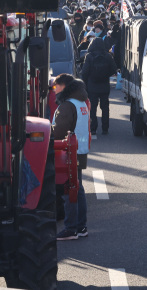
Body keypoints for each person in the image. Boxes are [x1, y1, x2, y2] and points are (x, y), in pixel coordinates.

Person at [52, 73, 89, 241]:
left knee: (69, 189)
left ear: (64, 87)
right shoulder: (81, 101)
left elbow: (58, 131)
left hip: (69, 151)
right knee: (78, 188)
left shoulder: (67, 105)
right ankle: (81, 227)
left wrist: (46, 130)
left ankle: (71, 228)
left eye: (55, 87)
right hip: (80, 149)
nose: (54, 90)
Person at [82, 38, 117, 135]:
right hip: (104, 85)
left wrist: (85, 82)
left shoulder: (89, 56)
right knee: (105, 107)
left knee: (92, 107)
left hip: (92, 86)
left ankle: (93, 129)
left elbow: (85, 72)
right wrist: (105, 75)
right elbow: (114, 69)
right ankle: (105, 128)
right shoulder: (108, 56)